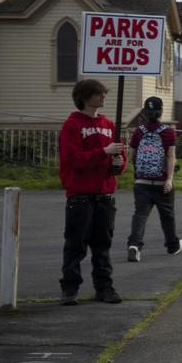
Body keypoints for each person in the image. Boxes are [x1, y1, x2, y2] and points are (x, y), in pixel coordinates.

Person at [58, 79, 126, 305]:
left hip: (105, 194)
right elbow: (72, 160)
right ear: (86, 97)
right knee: (75, 245)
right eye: (99, 94)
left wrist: (118, 161)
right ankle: (69, 289)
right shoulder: (72, 125)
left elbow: (120, 163)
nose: (104, 97)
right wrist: (103, 151)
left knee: (102, 246)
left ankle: (104, 288)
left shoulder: (108, 124)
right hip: (80, 195)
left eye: (104, 94)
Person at [125, 96, 182, 262]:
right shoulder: (168, 132)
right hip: (161, 182)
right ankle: (172, 245)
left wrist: (138, 171)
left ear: (144, 112)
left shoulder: (138, 131)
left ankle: (135, 245)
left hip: (141, 182)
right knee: (167, 215)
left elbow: (131, 156)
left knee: (140, 215)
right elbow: (171, 156)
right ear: (161, 112)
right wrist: (169, 179)